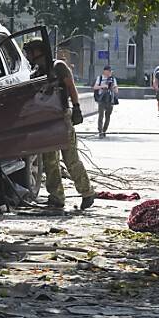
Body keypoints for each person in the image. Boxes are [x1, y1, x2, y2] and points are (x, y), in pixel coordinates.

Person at [22, 40, 95, 210]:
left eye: (30, 52)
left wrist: (76, 108)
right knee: (50, 161)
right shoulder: (36, 72)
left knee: (71, 159)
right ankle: (56, 197)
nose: (28, 56)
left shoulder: (58, 66)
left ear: (38, 51)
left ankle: (87, 193)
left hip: (62, 119)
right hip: (45, 122)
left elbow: (70, 86)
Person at [93, 65, 119, 138]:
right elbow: (95, 87)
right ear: (105, 71)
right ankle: (100, 131)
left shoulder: (113, 79)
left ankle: (104, 130)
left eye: (111, 71)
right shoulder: (100, 78)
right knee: (100, 115)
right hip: (102, 99)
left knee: (108, 116)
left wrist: (113, 87)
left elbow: (116, 91)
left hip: (110, 100)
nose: (110, 73)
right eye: (109, 71)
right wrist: (102, 86)